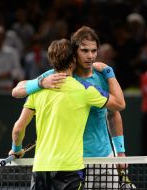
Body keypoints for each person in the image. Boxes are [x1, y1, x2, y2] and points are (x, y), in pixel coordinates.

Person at [12, 26, 128, 189]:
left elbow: (114, 113)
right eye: (85, 51)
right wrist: (40, 82)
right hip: (76, 162)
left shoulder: (103, 76)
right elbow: (16, 91)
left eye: (94, 51)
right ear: (74, 53)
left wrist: (120, 151)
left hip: (105, 156)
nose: (90, 56)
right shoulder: (54, 76)